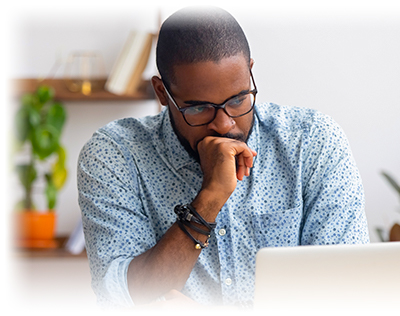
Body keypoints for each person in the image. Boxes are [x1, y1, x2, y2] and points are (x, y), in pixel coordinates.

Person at [77, 6, 369, 310]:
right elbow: (120, 297)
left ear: (250, 71)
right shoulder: (115, 155)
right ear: (163, 94)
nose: (224, 124)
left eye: (238, 99)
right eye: (198, 108)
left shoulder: (311, 143)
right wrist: (210, 197)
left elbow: (346, 288)